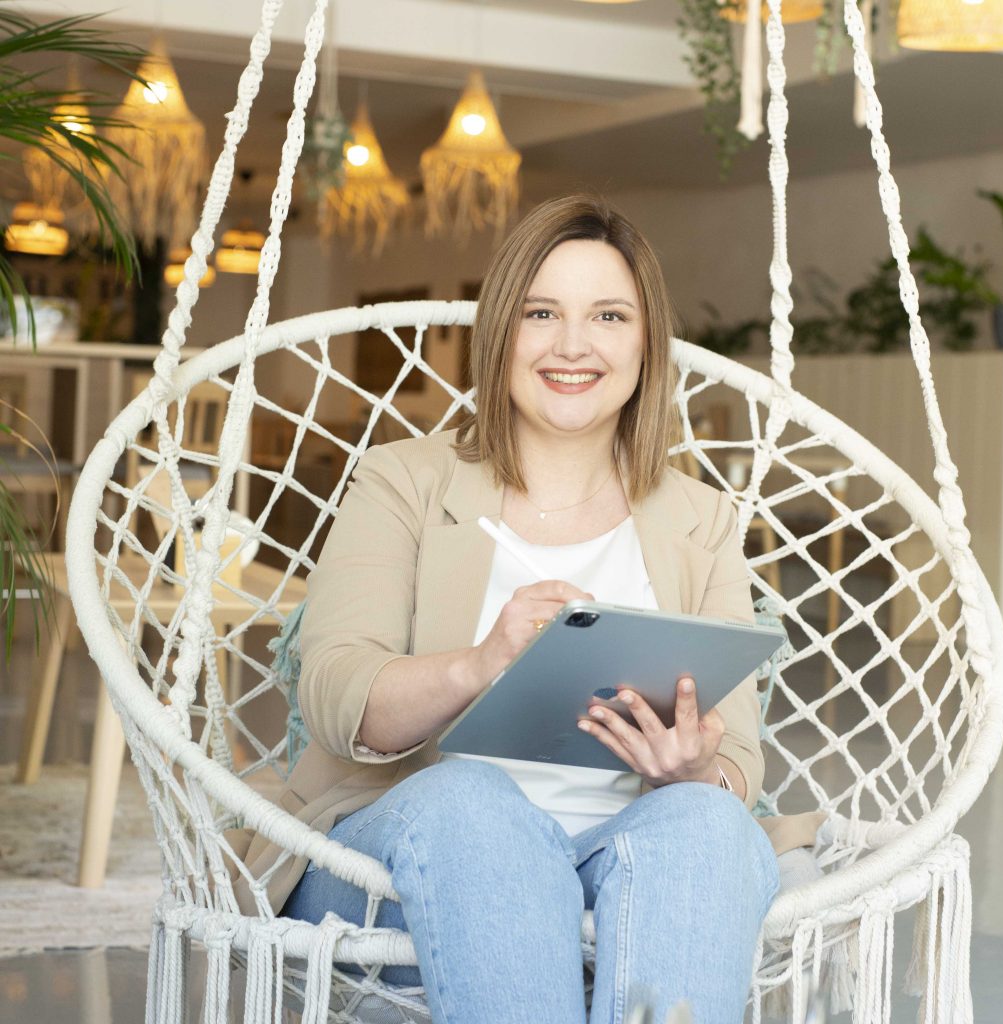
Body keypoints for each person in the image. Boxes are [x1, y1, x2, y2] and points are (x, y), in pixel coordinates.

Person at [246, 195, 820, 1024]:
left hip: (626, 852)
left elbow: (740, 763)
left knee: (704, 821)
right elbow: (336, 700)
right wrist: (478, 664)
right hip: (400, 862)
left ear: (646, 343)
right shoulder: (404, 481)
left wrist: (695, 768)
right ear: (501, 335)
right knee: (474, 802)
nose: (574, 345)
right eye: (541, 312)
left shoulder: (702, 519)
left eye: (609, 316)